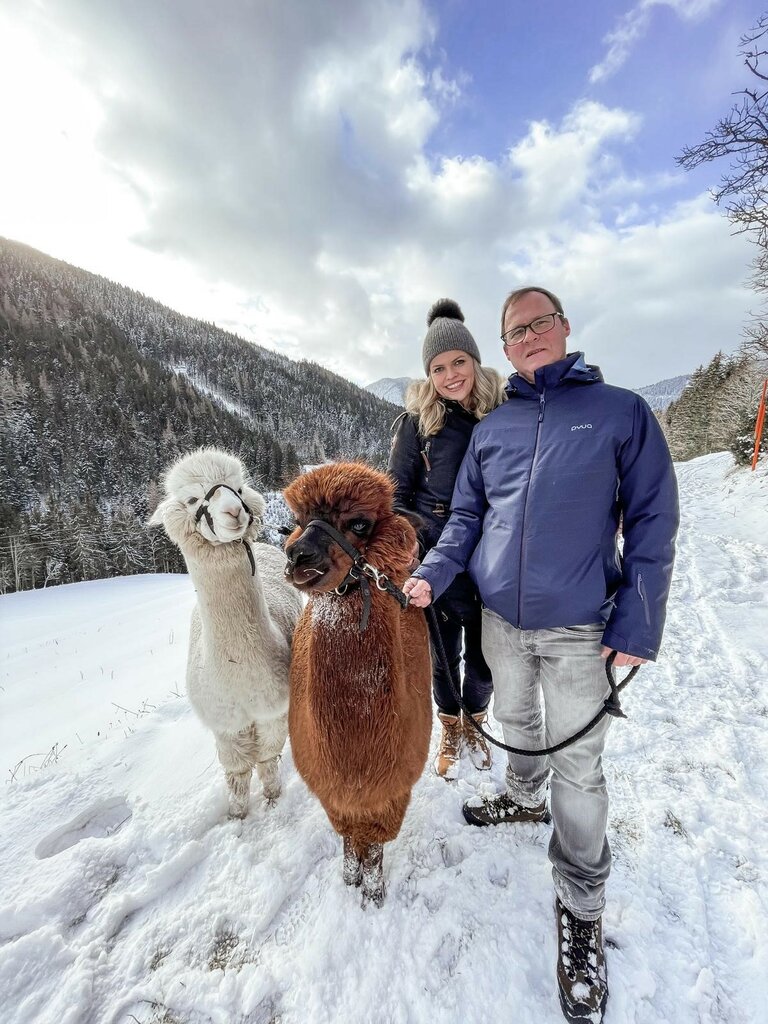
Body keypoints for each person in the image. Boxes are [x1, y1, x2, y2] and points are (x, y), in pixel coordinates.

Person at [403, 286, 678, 1024]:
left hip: (580, 628)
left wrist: (639, 620)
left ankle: (582, 907)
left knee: (581, 766)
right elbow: (465, 516)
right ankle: (523, 799)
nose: (525, 337)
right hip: (500, 619)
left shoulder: (621, 413)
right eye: (512, 330)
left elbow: (652, 519)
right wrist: (432, 574)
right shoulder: (496, 427)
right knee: (518, 722)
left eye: (537, 324)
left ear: (562, 328)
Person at [388, 298, 505, 779]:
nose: (451, 374)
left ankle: (476, 721)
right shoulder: (417, 424)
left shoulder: (504, 410)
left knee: (484, 660)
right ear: (428, 375)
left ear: (476, 361)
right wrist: (417, 552)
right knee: (443, 657)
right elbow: (396, 498)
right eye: (439, 367)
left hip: (494, 553)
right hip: (436, 552)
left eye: (459, 361)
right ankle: (450, 727)